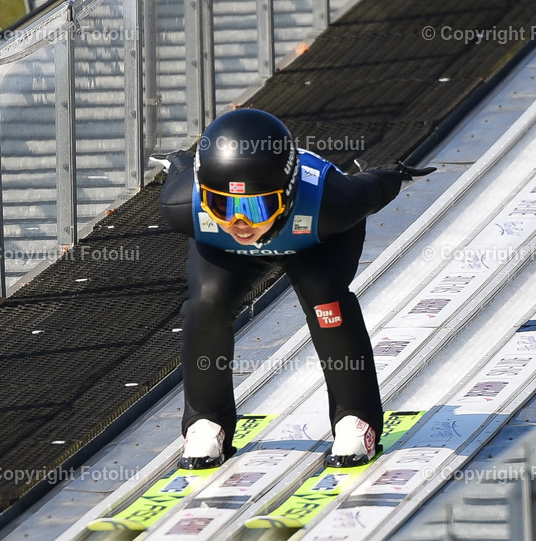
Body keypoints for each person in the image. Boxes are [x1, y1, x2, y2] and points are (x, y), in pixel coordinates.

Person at [157, 108, 434, 470]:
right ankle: (205, 422)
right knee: (206, 304)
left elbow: (373, 187)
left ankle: (356, 416)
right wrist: (181, 164)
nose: (240, 223)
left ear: (288, 194)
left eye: (256, 206)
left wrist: (394, 174)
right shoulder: (182, 205)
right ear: (204, 196)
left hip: (314, 240)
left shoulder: (333, 200)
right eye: (223, 204)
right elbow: (182, 171)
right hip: (224, 248)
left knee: (326, 299)